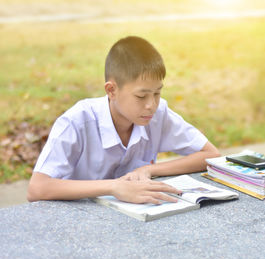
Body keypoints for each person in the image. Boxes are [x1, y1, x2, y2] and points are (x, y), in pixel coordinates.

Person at [27, 36, 220, 205]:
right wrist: (114, 187)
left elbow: (210, 155)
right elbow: (37, 188)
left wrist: (149, 169)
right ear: (111, 90)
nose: (151, 105)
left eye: (157, 93)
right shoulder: (77, 121)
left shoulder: (157, 114)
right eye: (141, 96)